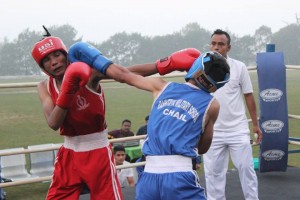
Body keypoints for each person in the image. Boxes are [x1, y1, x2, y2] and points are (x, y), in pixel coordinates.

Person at [31, 27, 200, 199]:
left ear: (65, 54)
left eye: (57, 55)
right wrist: (69, 90)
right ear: (42, 66)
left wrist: (166, 64)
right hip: (69, 153)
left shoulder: (90, 73)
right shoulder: (44, 86)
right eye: (47, 60)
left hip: (97, 150)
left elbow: (125, 73)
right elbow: (53, 123)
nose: (54, 62)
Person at [67, 41, 230, 200]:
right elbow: (203, 147)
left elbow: (123, 75)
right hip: (180, 176)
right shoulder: (212, 105)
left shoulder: (161, 86)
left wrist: (96, 58)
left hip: (149, 175)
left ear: (196, 67)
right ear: (217, 84)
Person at [203, 29, 263, 200]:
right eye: (213, 43)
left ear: (228, 47)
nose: (216, 47)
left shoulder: (239, 67)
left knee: (246, 168)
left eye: (221, 44)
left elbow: (248, 95)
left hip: (238, 129)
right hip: (212, 131)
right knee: (213, 174)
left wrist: (256, 125)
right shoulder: (202, 67)